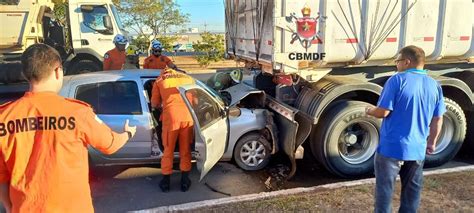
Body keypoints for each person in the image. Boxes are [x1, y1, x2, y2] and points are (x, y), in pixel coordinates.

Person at [0, 44, 137, 212]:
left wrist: (9, 207)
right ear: (58, 71)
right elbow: (111, 145)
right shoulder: (78, 112)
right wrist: (128, 133)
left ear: (26, 74)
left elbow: (1, 177)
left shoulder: (4, 117)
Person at [366, 45, 445, 213]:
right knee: (412, 194)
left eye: (398, 61)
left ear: (407, 62)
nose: (396, 65)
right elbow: (438, 118)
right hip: (417, 149)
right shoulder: (434, 85)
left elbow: (383, 111)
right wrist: (431, 143)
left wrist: (369, 111)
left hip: (391, 148)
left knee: (384, 193)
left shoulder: (397, 80)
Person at [151, 68, 195, 192]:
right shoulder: (188, 78)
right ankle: (185, 182)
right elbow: (195, 100)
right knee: (185, 150)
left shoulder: (160, 80)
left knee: (168, 150)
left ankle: (165, 183)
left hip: (171, 119)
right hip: (187, 117)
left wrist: (162, 105)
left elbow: (154, 104)